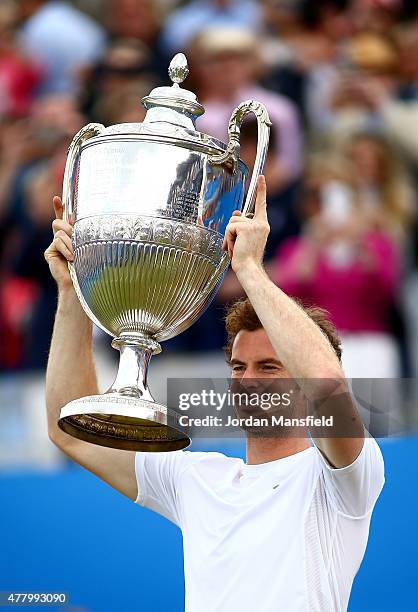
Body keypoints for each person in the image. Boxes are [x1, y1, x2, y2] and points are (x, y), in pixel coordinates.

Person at [44, 177, 384, 612]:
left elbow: (327, 383)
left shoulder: (343, 478)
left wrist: (250, 270)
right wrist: (71, 291)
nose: (249, 381)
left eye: (270, 367)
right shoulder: (197, 479)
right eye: (239, 367)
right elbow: (70, 432)